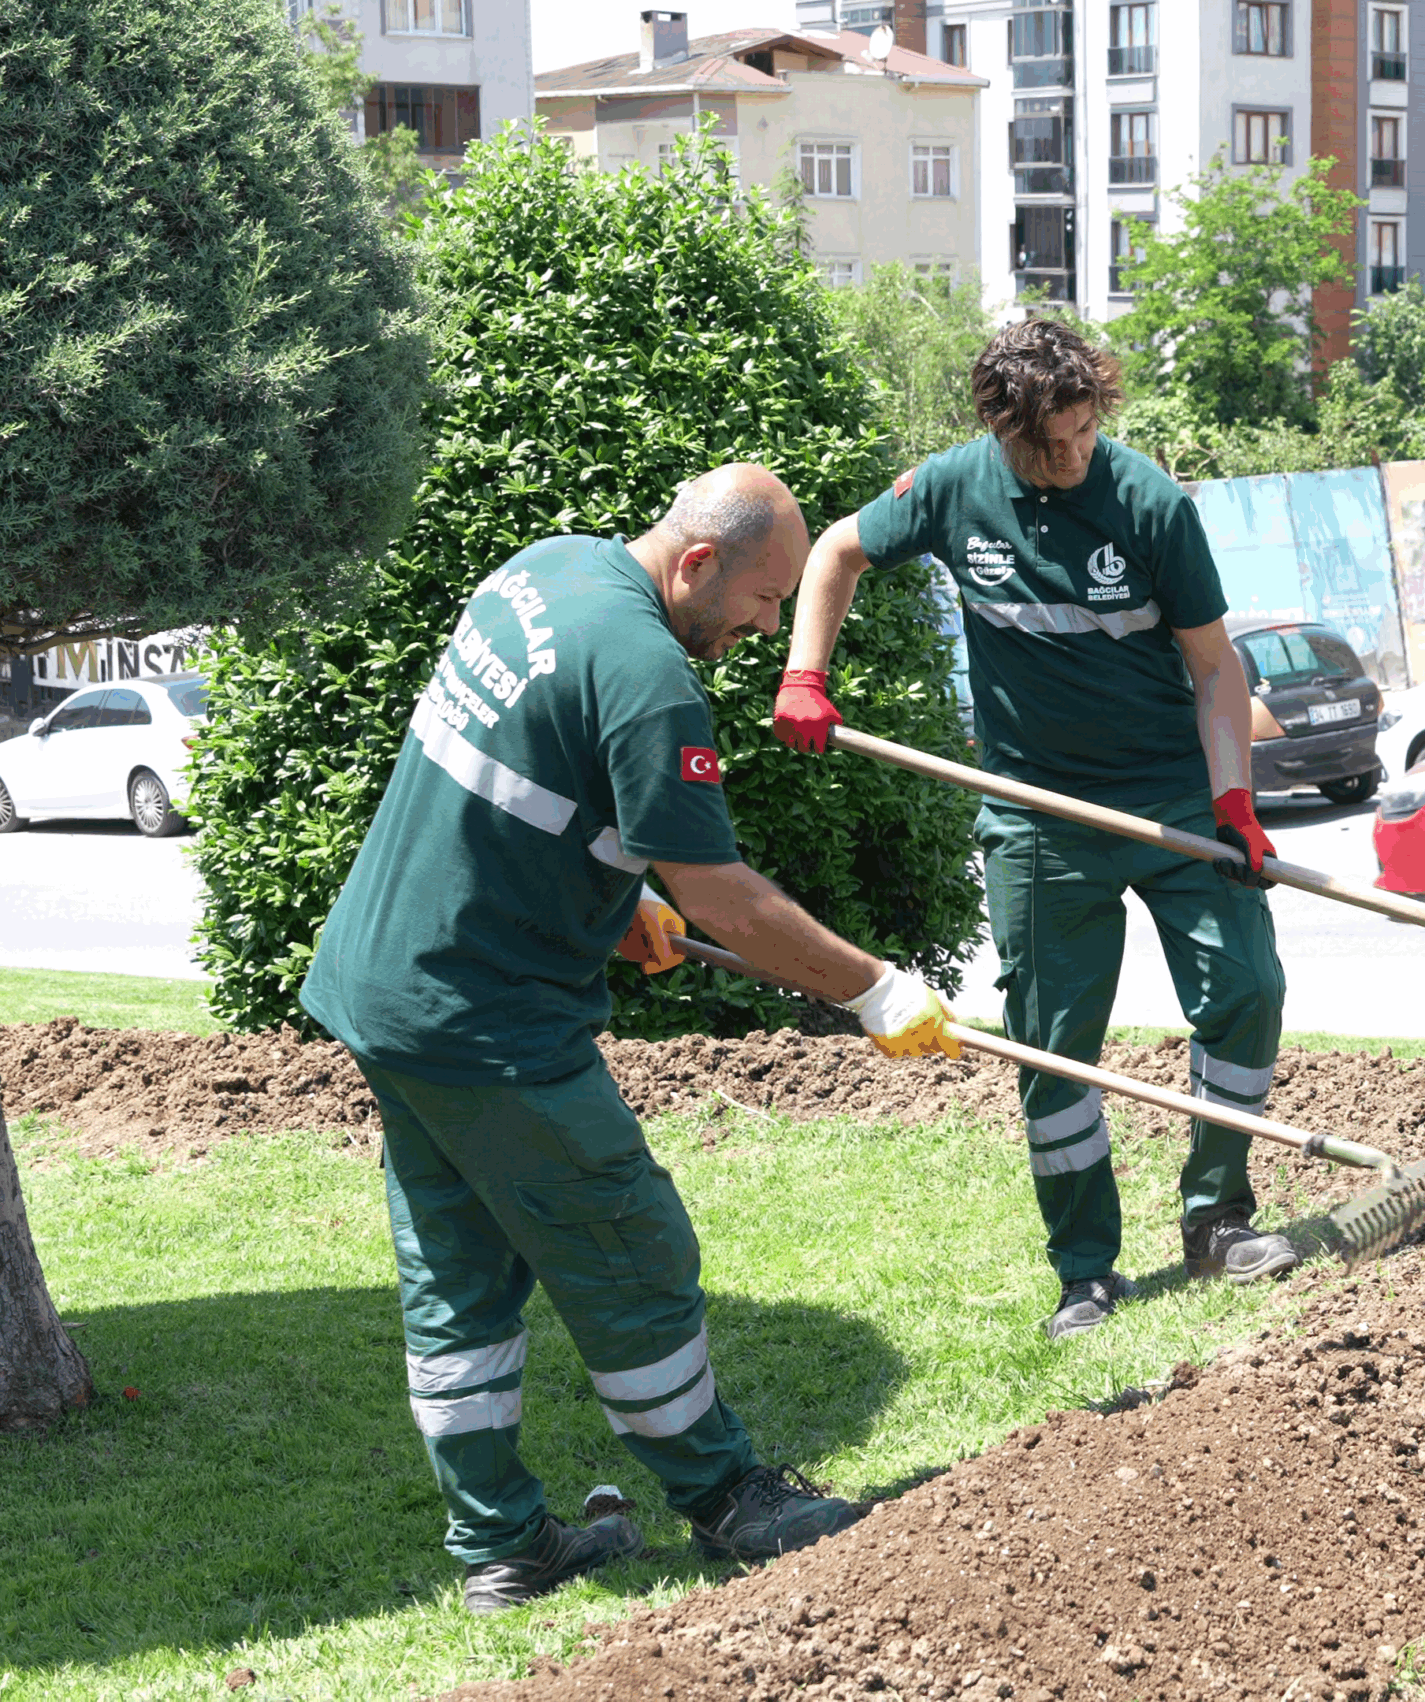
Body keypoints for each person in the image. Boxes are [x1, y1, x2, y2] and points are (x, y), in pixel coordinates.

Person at [300, 465, 964, 1615]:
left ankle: (504, 1546)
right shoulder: (652, 675)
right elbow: (723, 895)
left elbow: (518, 779)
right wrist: (872, 989)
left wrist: (612, 901)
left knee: (458, 1281)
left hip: (385, 987)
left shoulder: (543, 570)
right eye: (761, 602)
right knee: (629, 1245)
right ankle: (725, 1497)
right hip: (485, 1017)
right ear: (697, 562)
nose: (765, 630)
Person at [770, 319, 1298, 1341]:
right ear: (999, 429)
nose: (1067, 459)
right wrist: (805, 672)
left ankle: (1219, 1216)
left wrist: (1233, 796)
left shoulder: (1146, 501)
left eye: (1082, 433)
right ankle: (1086, 1274)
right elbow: (836, 549)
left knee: (1245, 987)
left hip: (1171, 800)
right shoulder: (955, 488)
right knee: (1053, 1048)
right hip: (1033, 814)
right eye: (1045, 445)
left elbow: (1214, 666)